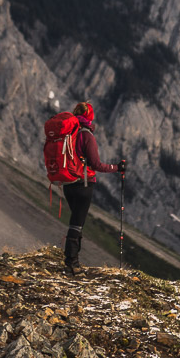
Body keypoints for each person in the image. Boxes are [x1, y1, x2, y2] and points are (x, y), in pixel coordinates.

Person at [62, 101, 125, 274]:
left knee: (76, 221)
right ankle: (72, 263)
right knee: (77, 224)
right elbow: (96, 164)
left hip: (67, 184)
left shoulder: (68, 132)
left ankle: (72, 261)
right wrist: (116, 168)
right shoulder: (86, 135)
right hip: (83, 184)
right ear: (89, 117)